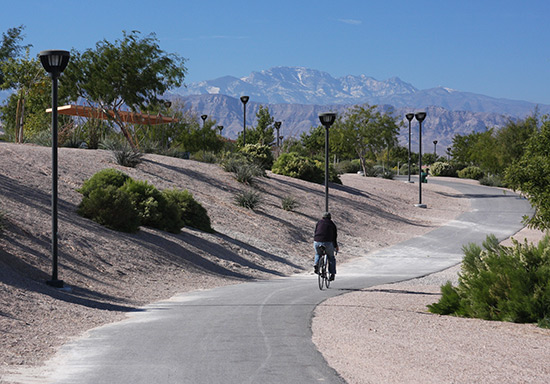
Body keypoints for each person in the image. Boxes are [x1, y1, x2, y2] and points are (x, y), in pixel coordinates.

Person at [313, 212, 338, 281]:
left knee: (318, 253)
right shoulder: (332, 224)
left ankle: (316, 264)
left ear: (322, 217)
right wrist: (336, 246)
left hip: (317, 242)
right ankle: (332, 274)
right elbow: (334, 237)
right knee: (331, 258)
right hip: (328, 243)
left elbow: (315, 232)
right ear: (330, 218)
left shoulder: (319, 222)